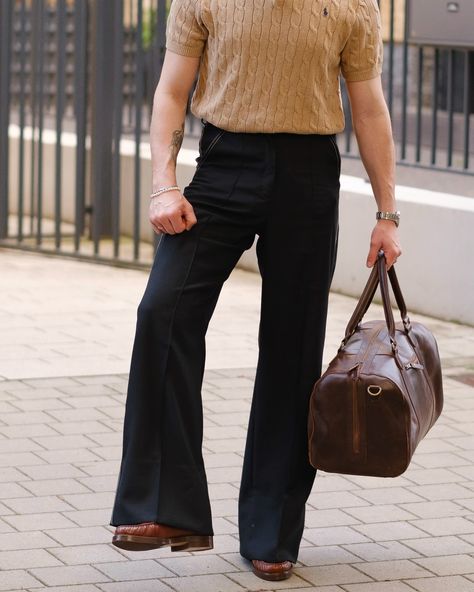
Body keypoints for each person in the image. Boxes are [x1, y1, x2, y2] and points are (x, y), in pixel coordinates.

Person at [110, 0, 402, 582]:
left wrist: (387, 214)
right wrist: (163, 186)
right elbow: (170, 91)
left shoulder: (352, 6)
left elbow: (368, 107)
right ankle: (167, 507)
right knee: (161, 313)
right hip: (223, 166)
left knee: (293, 352)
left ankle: (272, 530)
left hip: (310, 175)